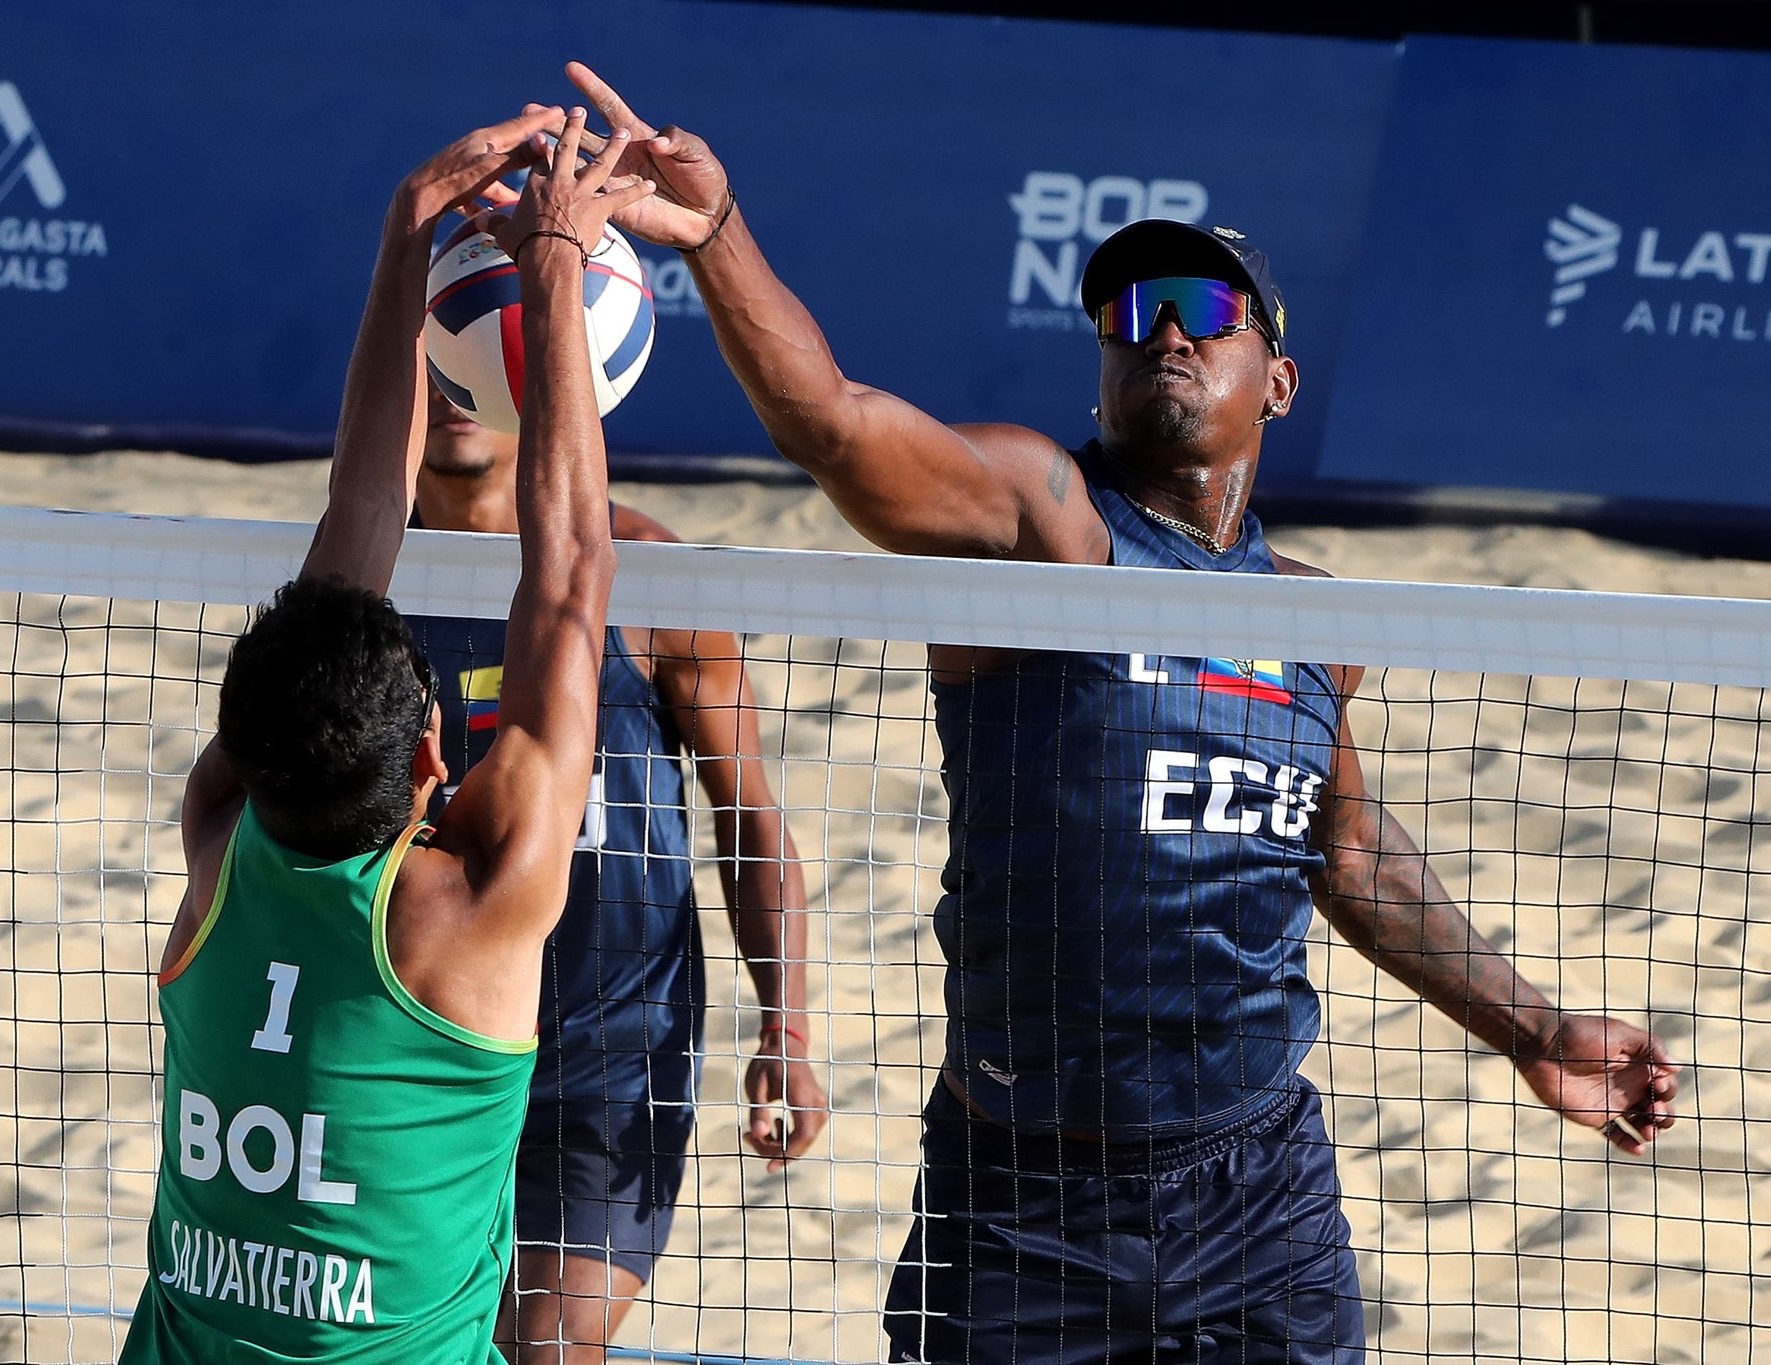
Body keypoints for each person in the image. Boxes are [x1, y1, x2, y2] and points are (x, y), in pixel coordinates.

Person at [556, 65, 1683, 1364]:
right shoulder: (1046, 526)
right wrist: (722, 233)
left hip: (1260, 1188)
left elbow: (1352, 856)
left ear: (1279, 379)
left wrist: (1535, 1027)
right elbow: (833, 425)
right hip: (1024, 1194)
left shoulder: (1310, 620)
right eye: (1133, 311)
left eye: (1205, 308)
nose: (1165, 332)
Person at [119, 107, 656, 1362]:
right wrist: (552, 277)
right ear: (432, 758)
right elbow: (577, 567)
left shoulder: (220, 846)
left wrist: (411, 237)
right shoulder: (463, 916)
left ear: (238, 759)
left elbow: (494, 570)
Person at [402, 381, 827, 1362]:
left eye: (485, 368)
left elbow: (749, 815)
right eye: (439, 367)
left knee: (546, 1346)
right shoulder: (366, 580)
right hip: (418, 1040)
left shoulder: (645, 571)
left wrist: (786, 1025)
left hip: (614, 1051)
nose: (459, 400)